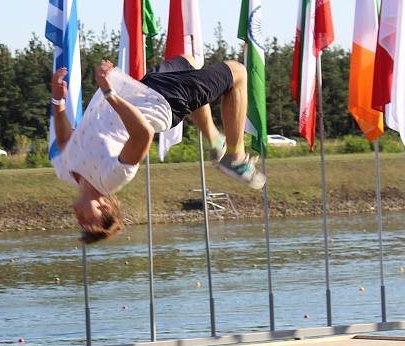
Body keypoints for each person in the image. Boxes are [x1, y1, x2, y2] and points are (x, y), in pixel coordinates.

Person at [51, 55, 266, 244]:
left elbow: (64, 140)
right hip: (164, 101)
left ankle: (214, 140)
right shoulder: (110, 179)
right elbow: (143, 134)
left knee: (191, 60)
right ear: (104, 207)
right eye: (90, 221)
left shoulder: (65, 171)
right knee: (237, 72)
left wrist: (58, 100)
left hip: (140, 88)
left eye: (82, 225)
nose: (81, 220)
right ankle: (234, 156)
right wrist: (109, 94)